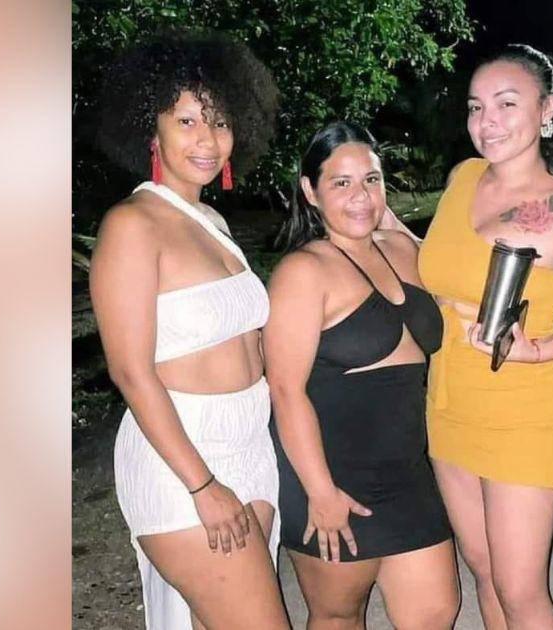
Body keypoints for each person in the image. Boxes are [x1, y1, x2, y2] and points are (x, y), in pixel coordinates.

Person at [403, 44, 553, 629]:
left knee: (520, 590)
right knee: (483, 568)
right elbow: (443, 263)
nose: (488, 121)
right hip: (449, 399)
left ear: (546, 109)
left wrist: (538, 350)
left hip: (521, 409)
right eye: (476, 106)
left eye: (507, 103)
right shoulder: (463, 178)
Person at [89, 33, 288, 630]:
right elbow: (130, 372)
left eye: (221, 122)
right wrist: (202, 485)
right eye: (188, 121)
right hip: (183, 456)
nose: (208, 139)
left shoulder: (211, 220)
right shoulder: (132, 225)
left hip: (249, 444)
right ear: (151, 130)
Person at [265, 122, 460, 630]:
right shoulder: (303, 272)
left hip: (408, 474)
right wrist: (320, 492)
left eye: (371, 180)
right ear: (310, 191)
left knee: (436, 612)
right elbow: (285, 391)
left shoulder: (402, 250)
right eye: (341, 182)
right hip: (332, 476)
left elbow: (457, 292)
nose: (361, 196)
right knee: (339, 617)